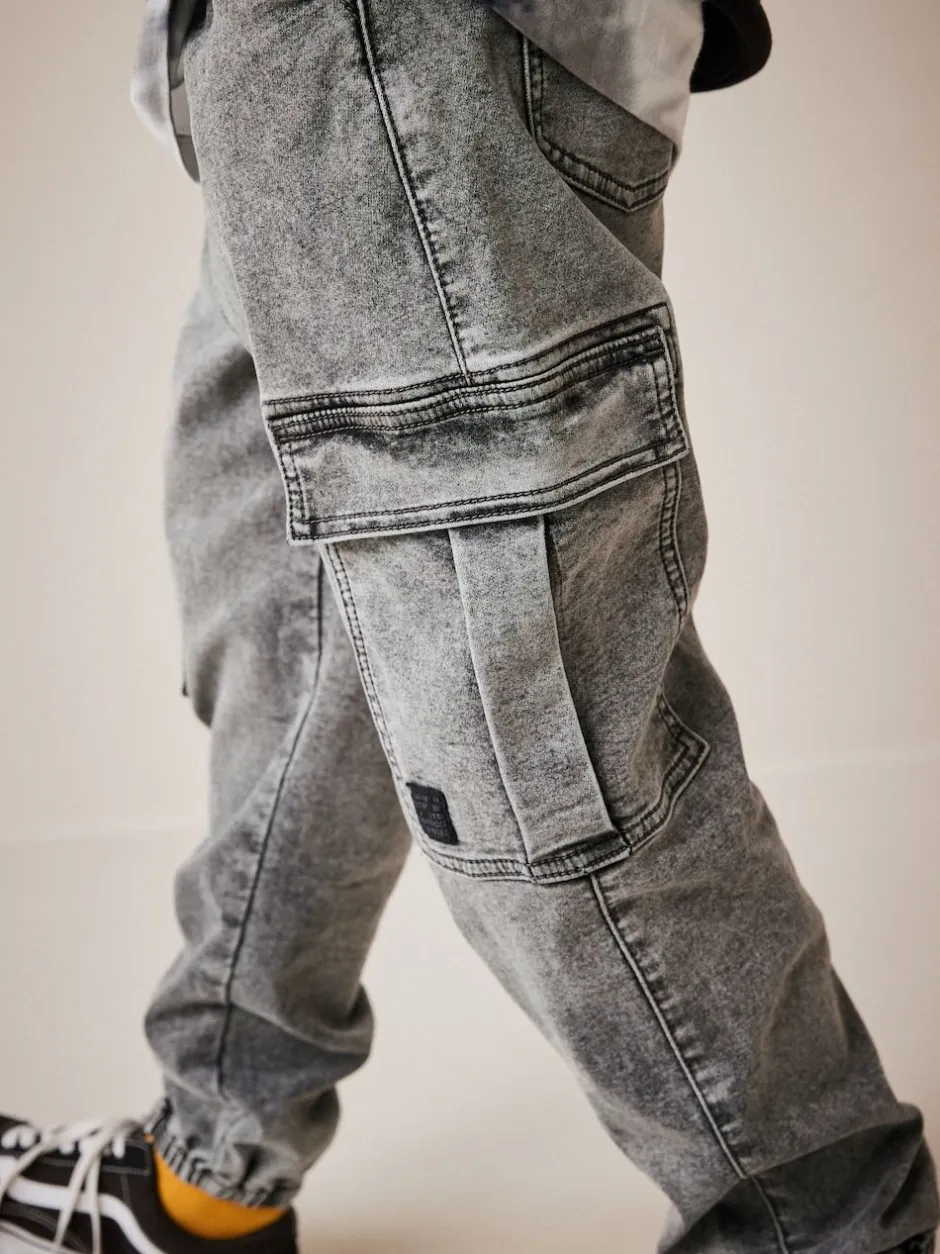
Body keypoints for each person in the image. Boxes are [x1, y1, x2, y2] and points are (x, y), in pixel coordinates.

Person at [0, 1, 936, 1251]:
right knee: (293, 633)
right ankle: (205, 1183)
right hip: (268, 73)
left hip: (399, 47)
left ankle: (830, 1230)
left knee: (535, 752)